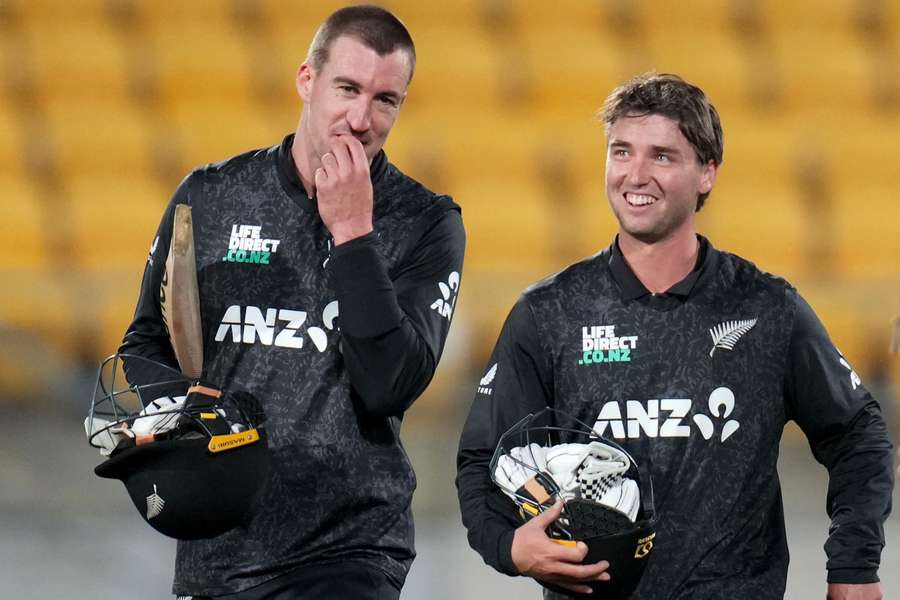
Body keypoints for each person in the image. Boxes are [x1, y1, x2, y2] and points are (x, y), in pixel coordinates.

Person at [456, 73, 893, 599]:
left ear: (707, 173)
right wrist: (507, 547)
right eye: (621, 151)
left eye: (662, 156)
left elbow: (858, 435)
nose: (635, 175)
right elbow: (486, 458)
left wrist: (854, 565)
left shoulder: (766, 308)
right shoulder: (549, 313)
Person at [117, 5, 465, 599]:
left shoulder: (426, 222)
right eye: (347, 88)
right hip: (217, 548)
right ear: (307, 80)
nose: (361, 118)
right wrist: (189, 414)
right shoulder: (212, 196)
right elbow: (146, 342)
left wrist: (354, 233)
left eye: (386, 100)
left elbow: (389, 385)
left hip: (349, 550)